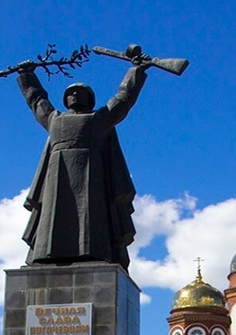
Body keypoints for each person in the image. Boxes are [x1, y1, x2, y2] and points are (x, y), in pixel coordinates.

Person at [14, 59, 148, 269]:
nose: (75, 95)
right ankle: (47, 254)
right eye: (70, 92)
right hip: (57, 175)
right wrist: (26, 75)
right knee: (53, 215)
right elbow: (36, 100)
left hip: (91, 173)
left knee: (91, 215)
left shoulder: (99, 119)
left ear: (90, 99)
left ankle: (94, 252)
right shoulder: (54, 119)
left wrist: (136, 70)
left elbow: (124, 99)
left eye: (80, 92)